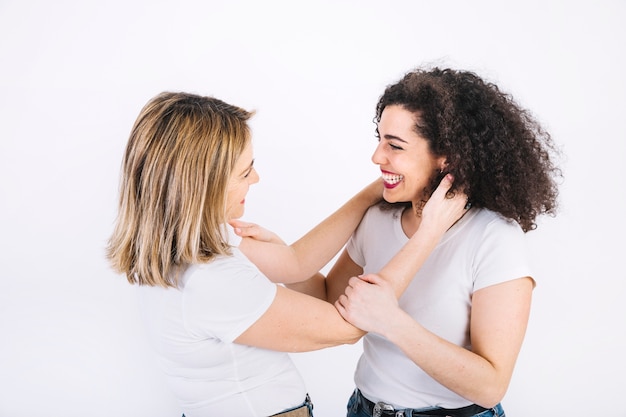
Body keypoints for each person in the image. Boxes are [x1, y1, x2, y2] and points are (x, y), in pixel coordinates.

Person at [106, 91, 469, 417]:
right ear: (203, 184)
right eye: (245, 171)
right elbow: (352, 324)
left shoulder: (187, 242)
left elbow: (296, 262)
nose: (256, 179)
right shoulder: (211, 280)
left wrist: (382, 186)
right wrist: (429, 232)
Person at [316, 67, 561, 417]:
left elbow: (490, 387)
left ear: (446, 156)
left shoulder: (494, 237)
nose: (376, 156)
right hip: (363, 409)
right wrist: (279, 257)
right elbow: (330, 301)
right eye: (379, 138)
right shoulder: (377, 218)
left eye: (394, 145)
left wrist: (392, 321)